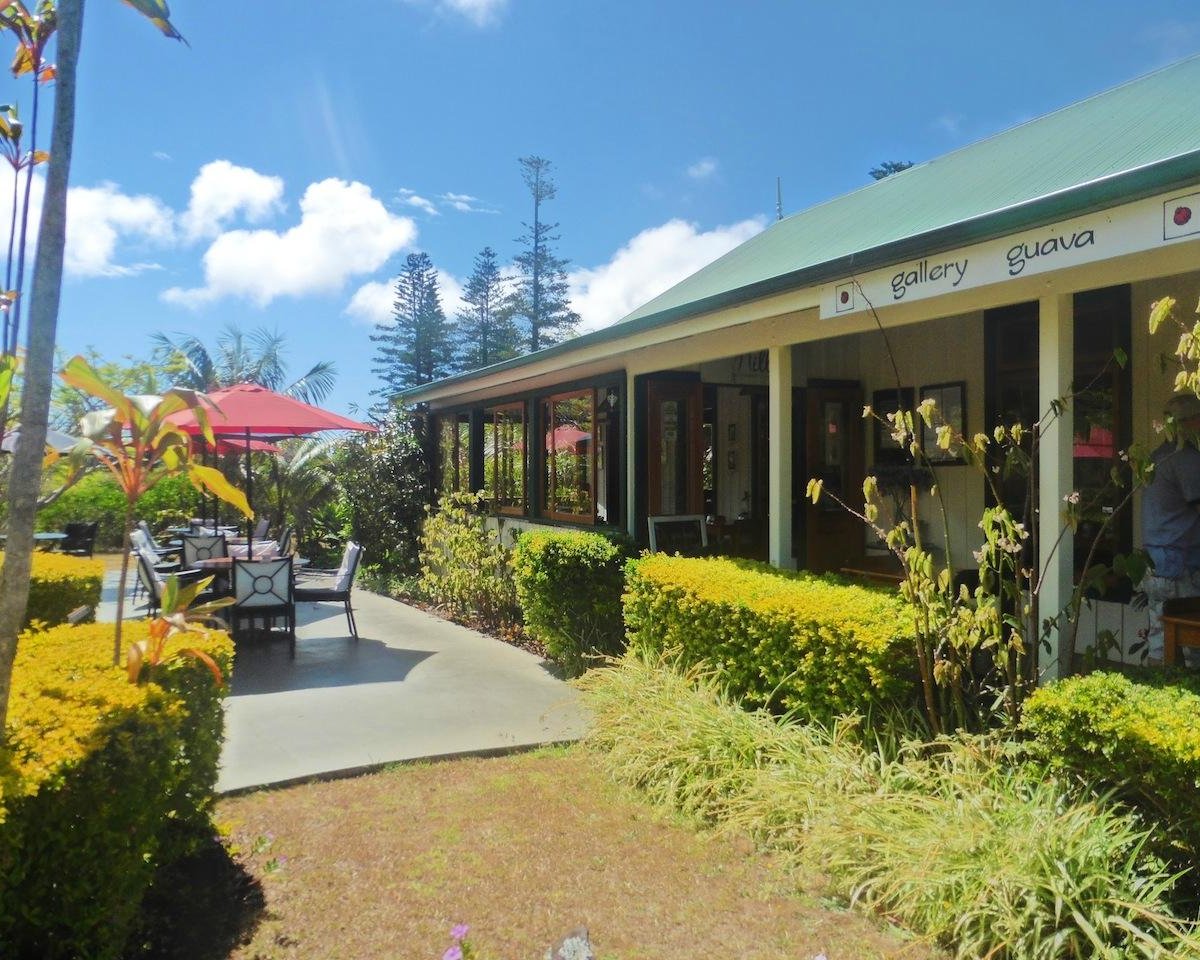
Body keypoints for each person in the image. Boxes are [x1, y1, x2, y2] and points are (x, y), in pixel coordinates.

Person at [1140, 393, 1200, 662]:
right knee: (1192, 650)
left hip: (1157, 565)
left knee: (1161, 644)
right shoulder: (1186, 459)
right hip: (1180, 568)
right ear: (1191, 422)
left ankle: (1156, 697)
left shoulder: (1157, 457)